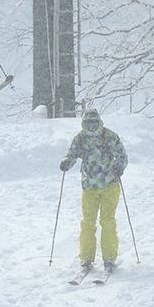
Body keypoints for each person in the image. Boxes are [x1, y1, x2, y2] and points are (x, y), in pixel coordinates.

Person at [59, 109, 128, 274]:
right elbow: (72, 154)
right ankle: (86, 258)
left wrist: (119, 167)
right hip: (89, 187)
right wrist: (67, 162)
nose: (91, 126)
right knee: (87, 222)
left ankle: (109, 258)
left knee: (107, 221)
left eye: (94, 123)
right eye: (88, 123)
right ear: (84, 123)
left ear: (99, 122)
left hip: (110, 185)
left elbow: (122, 156)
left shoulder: (109, 136)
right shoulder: (80, 138)